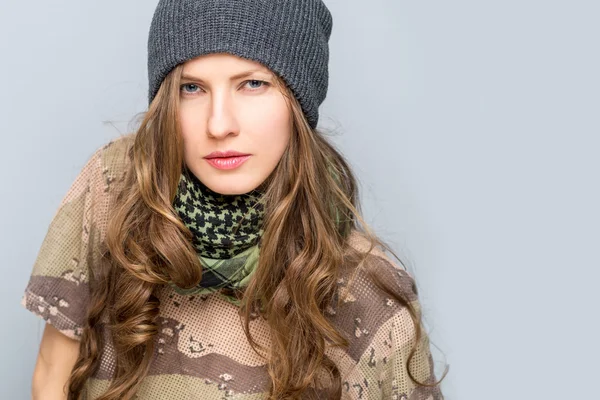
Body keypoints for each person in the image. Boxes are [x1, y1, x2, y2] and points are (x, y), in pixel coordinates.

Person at [22, 0, 447, 399]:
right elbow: (51, 374)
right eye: (192, 88)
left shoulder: (367, 293)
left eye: (253, 84)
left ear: (299, 101)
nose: (219, 124)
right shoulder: (118, 188)